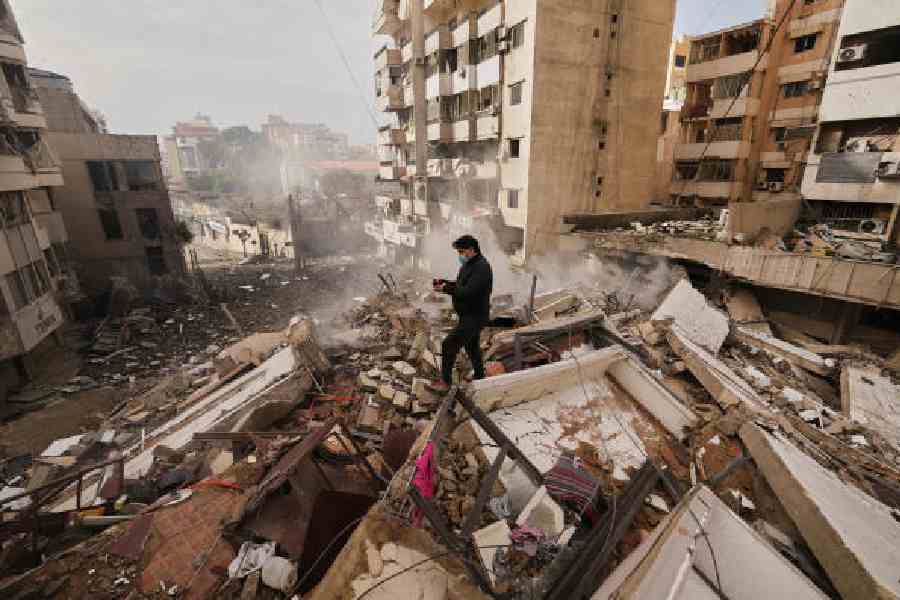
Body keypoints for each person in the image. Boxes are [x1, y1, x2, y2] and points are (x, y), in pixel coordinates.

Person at [429, 235, 493, 394]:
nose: (460, 255)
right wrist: (445, 283)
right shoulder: (469, 265)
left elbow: (467, 292)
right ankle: (480, 376)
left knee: (448, 344)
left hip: (475, 316)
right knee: (471, 347)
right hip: (468, 315)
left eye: (461, 252)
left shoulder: (482, 268)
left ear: (472, 250)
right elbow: (460, 286)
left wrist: (445, 289)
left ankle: (446, 383)